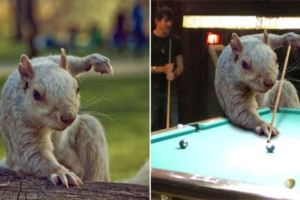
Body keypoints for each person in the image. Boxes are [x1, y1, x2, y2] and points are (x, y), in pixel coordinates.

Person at [151, 6, 184, 131]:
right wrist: (161, 69)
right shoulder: (150, 40)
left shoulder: (175, 41)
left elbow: (180, 66)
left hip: (170, 89)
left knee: (172, 123)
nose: (168, 24)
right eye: (165, 20)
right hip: (152, 90)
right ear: (157, 21)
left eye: (170, 21)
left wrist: (174, 74)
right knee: (152, 122)